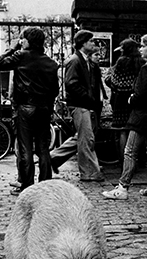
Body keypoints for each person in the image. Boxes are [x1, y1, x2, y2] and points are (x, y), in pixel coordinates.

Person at [101, 33, 147, 200]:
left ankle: (122, 187)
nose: (140, 49)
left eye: (143, 46)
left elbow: (140, 94)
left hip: (142, 116)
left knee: (130, 151)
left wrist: (132, 98)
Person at [0, 26, 59, 194]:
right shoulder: (51, 63)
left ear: (28, 41)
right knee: (43, 148)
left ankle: (27, 185)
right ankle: (45, 184)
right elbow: (55, 90)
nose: (21, 41)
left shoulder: (21, 56)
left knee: (25, 148)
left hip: (25, 107)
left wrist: (14, 47)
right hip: (44, 107)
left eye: (23, 39)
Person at [49, 30, 104, 182]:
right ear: (83, 43)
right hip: (80, 105)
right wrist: (88, 98)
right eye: (91, 41)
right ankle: (89, 173)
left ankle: (54, 157)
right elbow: (71, 83)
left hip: (84, 104)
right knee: (87, 140)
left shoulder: (84, 60)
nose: (94, 44)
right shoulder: (75, 60)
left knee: (82, 137)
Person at [105, 38, 144, 160]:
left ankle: (123, 160)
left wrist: (110, 80)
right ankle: (136, 159)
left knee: (122, 131)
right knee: (135, 130)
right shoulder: (140, 62)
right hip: (135, 99)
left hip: (120, 100)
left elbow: (114, 81)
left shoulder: (121, 61)